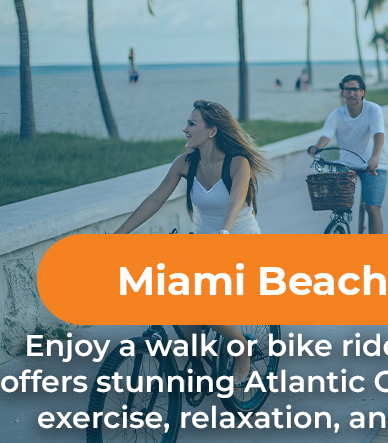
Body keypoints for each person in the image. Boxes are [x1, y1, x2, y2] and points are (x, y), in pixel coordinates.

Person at [114, 99, 272, 383]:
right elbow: (155, 199)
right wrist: (118, 236)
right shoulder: (185, 163)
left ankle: (243, 349)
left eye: (191, 124)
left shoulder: (238, 163)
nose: (184, 129)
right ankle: (202, 362)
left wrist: (224, 234)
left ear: (211, 131)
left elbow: (236, 201)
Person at [309, 74, 388, 234]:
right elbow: (326, 135)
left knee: (372, 207)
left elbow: (378, 134)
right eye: (347, 89)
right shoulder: (337, 114)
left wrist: (375, 157)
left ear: (362, 92)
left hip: (373, 164)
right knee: (341, 205)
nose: (351, 93)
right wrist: (317, 148)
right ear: (342, 93)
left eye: (355, 89)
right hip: (347, 164)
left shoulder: (373, 109)